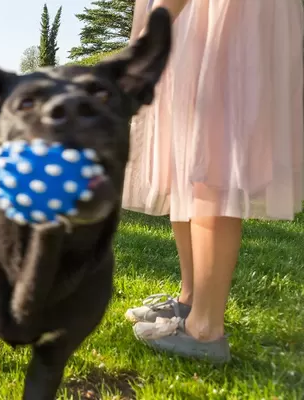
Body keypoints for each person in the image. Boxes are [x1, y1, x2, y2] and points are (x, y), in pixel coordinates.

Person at [122, 0, 304, 363]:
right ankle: (190, 301)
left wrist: (160, 21)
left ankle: (206, 329)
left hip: (222, 14)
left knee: (211, 153)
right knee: (185, 154)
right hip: (195, 17)